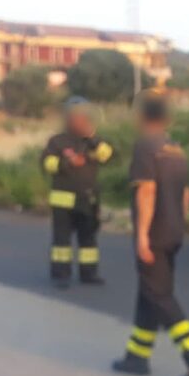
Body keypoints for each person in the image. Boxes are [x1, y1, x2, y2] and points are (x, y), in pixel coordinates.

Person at [112, 88, 189, 376]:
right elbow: (185, 194)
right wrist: (178, 225)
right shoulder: (176, 149)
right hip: (173, 231)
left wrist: (143, 235)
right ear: (167, 117)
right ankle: (137, 357)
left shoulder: (146, 148)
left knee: (160, 296)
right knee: (150, 293)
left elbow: (146, 190)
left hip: (155, 233)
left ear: (142, 116)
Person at [40, 96, 114, 288]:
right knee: (61, 242)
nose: (79, 121)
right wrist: (66, 163)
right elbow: (47, 164)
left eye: (83, 117)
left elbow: (106, 155)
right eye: (75, 117)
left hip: (87, 199)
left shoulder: (93, 142)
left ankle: (89, 274)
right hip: (63, 200)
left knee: (88, 239)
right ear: (67, 119)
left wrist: (92, 138)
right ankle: (61, 275)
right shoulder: (57, 142)